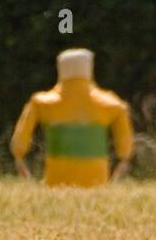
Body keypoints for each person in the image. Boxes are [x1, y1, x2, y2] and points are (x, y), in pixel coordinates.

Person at [10, 49, 134, 187]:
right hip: (97, 181)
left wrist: (20, 158)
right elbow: (125, 148)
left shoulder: (42, 103)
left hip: (55, 182)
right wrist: (122, 162)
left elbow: (19, 141)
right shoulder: (109, 104)